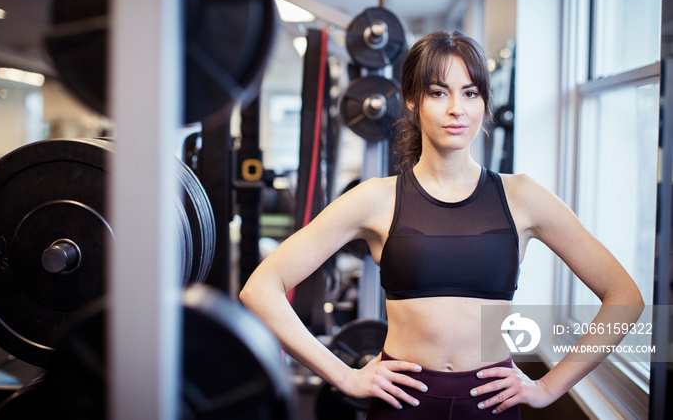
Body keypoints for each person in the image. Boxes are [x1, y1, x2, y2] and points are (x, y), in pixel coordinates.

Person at [240, 30, 644, 419]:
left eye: (470, 93)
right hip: (403, 404)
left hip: (491, 406)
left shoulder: (522, 197)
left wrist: (548, 388)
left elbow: (624, 296)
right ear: (413, 100)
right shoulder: (376, 198)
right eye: (439, 92)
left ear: (484, 102)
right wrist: (342, 375)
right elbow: (260, 289)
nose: (457, 109)